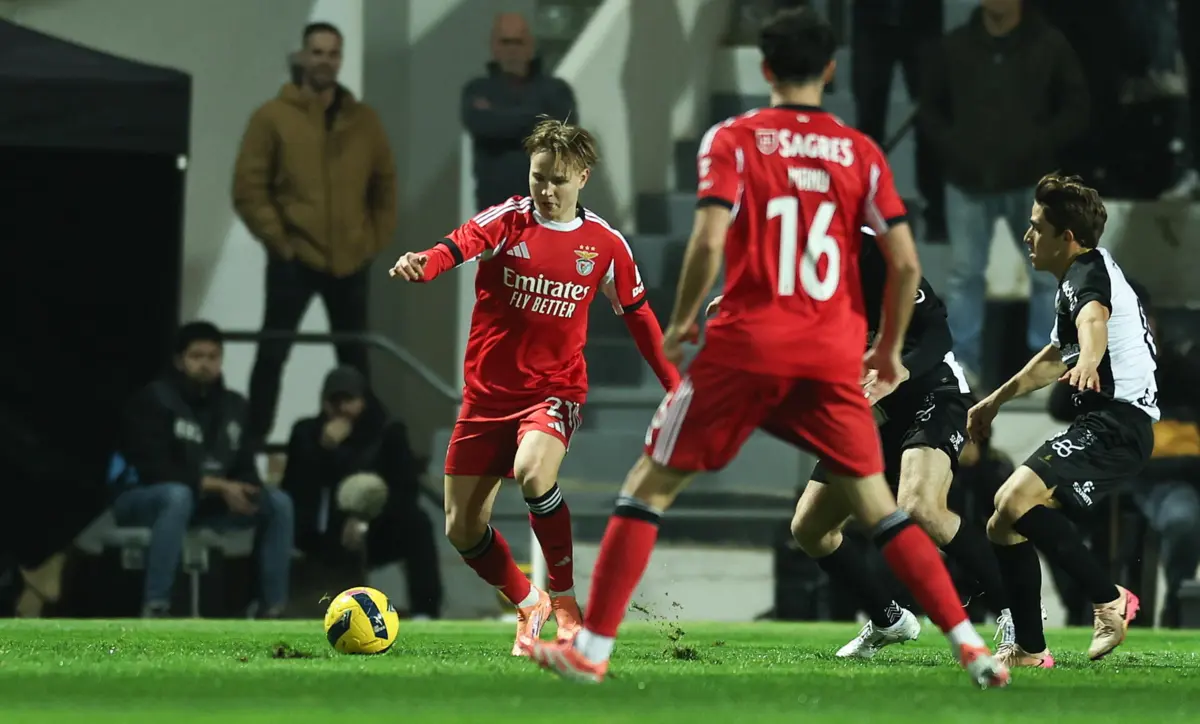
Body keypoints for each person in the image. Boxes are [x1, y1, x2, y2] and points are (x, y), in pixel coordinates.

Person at [518, 7, 1009, 689]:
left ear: (765, 68)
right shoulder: (859, 153)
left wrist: (686, 317)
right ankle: (970, 646)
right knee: (880, 506)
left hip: (748, 349)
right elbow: (902, 264)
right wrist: (889, 350)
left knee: (649, 485)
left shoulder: (734, 139)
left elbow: (709, 238)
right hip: (829, 356)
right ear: (830, 70)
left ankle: (592, 651)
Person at [388, 118, 679, 654]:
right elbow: (455, 245)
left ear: (583, 178)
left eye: (558, 180)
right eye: (538, 177)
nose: (546, 190)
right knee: (461, 529)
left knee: (531, 472)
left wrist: (675, 385)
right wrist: (423, 264)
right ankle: (530, 602)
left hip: (554, 391)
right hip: (485, 398)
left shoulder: (605, 245)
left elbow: (639, 316)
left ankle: (567, 605)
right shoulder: (508, 221)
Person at [737, 227, 1007, 659]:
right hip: (870, 409)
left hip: (931, 391)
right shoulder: (796, 256)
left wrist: (900, 369)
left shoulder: (880, 251)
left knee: (920, 504)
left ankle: (1013, 608)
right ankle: (890, 619)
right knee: (809, 529)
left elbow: (937, 333)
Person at [968, 173, 1158, 668]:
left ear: (1066, 238)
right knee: (1001, 526)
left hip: (1118, 423)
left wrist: (1091, 360)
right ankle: (1031, 649)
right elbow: (1055, 357)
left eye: (1036, 227)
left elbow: (1093, 323)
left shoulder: (1086, 274)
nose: (1028, 236)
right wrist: (995, 401)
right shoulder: (1076, 281)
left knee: (1010, 498)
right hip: (1107, 423)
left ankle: (1108, 597)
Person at [233, 21, 398, 446]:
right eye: (318, 52)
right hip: (293, 259)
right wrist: (280, 242)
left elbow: (385, 185)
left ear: (340, 59)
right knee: (272, 356)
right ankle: (250, 449)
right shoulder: (272, 117)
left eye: (332, 53)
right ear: (303, 57)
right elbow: (249, 188)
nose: (325, 60)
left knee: (357, 360)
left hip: (350, 261)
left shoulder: (365, 121)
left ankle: (368, 451)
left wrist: (371, 242)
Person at [113, 322, 294, 618]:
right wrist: (219, 486)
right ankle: (156, 605)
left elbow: (245, 467)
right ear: (179, 361)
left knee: (278, 503)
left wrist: (245, 490)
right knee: (177, 496)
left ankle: (270, 608)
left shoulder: (235, 406)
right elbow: (153, 469)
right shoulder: (153, 399)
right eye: (197, 356)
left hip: (207, 504)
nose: (205, 364)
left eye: (213, 357)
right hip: (143, 499)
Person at [281, 366, 443, 619]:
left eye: (349, 401)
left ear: (364, 400)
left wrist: (365, 520)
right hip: (322, 532)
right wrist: (325, 449)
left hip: (377, 528)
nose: (342, 409)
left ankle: (426, 611)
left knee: (418, 524)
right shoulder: (306, 433)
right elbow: (297, 487)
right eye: (334, 402)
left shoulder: (388, 432)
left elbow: (404, 490)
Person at [462, 12, 577, 212]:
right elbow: (482, 125)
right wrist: (536, 118)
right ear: (494, 46)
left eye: (518, 42)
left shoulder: (557, 90)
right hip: (495, 212)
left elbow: (561, 135)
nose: (512, 50)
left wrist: (499, 117)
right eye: (506, 42)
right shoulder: (477, 89)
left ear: (530, 45)